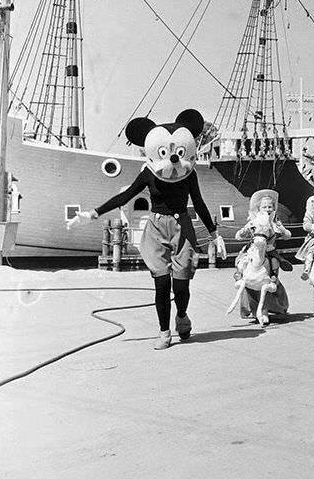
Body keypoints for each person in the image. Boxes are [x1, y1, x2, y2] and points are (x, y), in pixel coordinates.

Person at [67, 109, 225, 350]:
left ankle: (182, 316)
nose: (173, 157)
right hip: (156, 228)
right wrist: (92, 214)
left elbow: (199, 203)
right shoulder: (149, 173)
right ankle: (164, 333)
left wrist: (214, 234)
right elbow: (125, 197)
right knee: (161, 285)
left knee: (181, 287)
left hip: (182, 228)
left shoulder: (189, 174)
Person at [234, 190, 292, 281]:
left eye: (270, 207)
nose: (267, 209)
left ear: (273, 208)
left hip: (269, 249)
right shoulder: (254, 222)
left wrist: (282, 230)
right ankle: (240, 274)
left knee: (275, 261)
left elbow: (287, 236)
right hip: (254, 247)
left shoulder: (275, 224)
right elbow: (242, 234)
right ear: (259, 209)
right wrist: (242, 233)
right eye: (264, 207)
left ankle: (273, 277)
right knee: (242, 260)